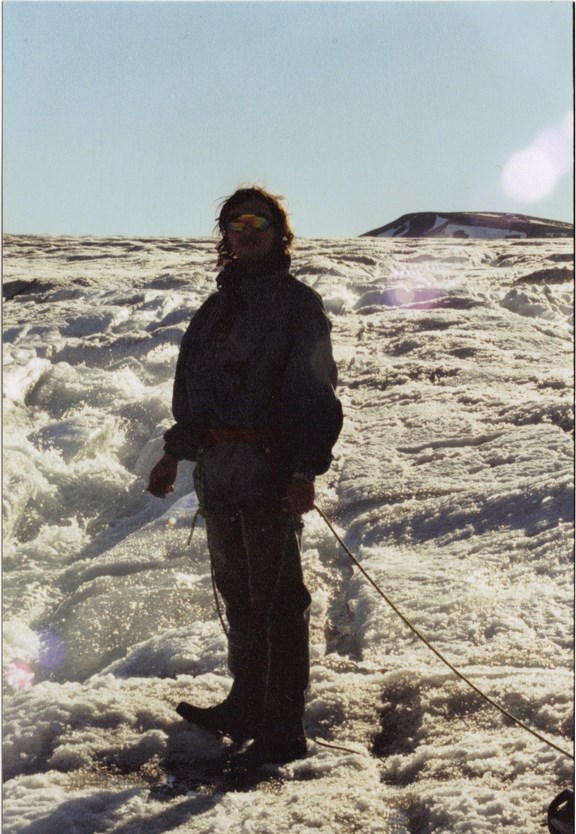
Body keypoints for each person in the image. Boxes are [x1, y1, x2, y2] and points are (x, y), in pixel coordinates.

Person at [147, 186, 342, 767]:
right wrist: (174, 453)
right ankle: (245, 704)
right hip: (219, 471)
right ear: (225, 237)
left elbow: (316, 394)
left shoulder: (298, 305)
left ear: (279, 233)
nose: (246, 232)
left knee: (278, 599)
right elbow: (192, 394)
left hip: (269, 470)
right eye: (236, 224)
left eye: (257, 222)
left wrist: (304, 469)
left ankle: (283, 728)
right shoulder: (215, 310)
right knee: (238, 593)